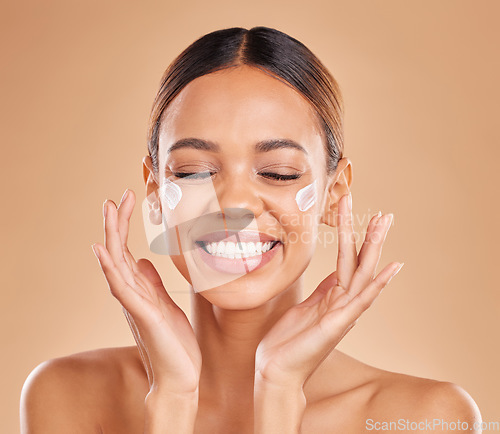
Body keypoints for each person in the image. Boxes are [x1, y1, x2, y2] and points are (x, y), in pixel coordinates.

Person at [20, 26, 482, 433]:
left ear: (335, 193)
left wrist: (279, 391)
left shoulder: (428, 418)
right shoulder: (66, 396)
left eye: (279, 172)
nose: (234, 204)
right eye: (195, 171)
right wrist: (172, 400)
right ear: (156, 193)